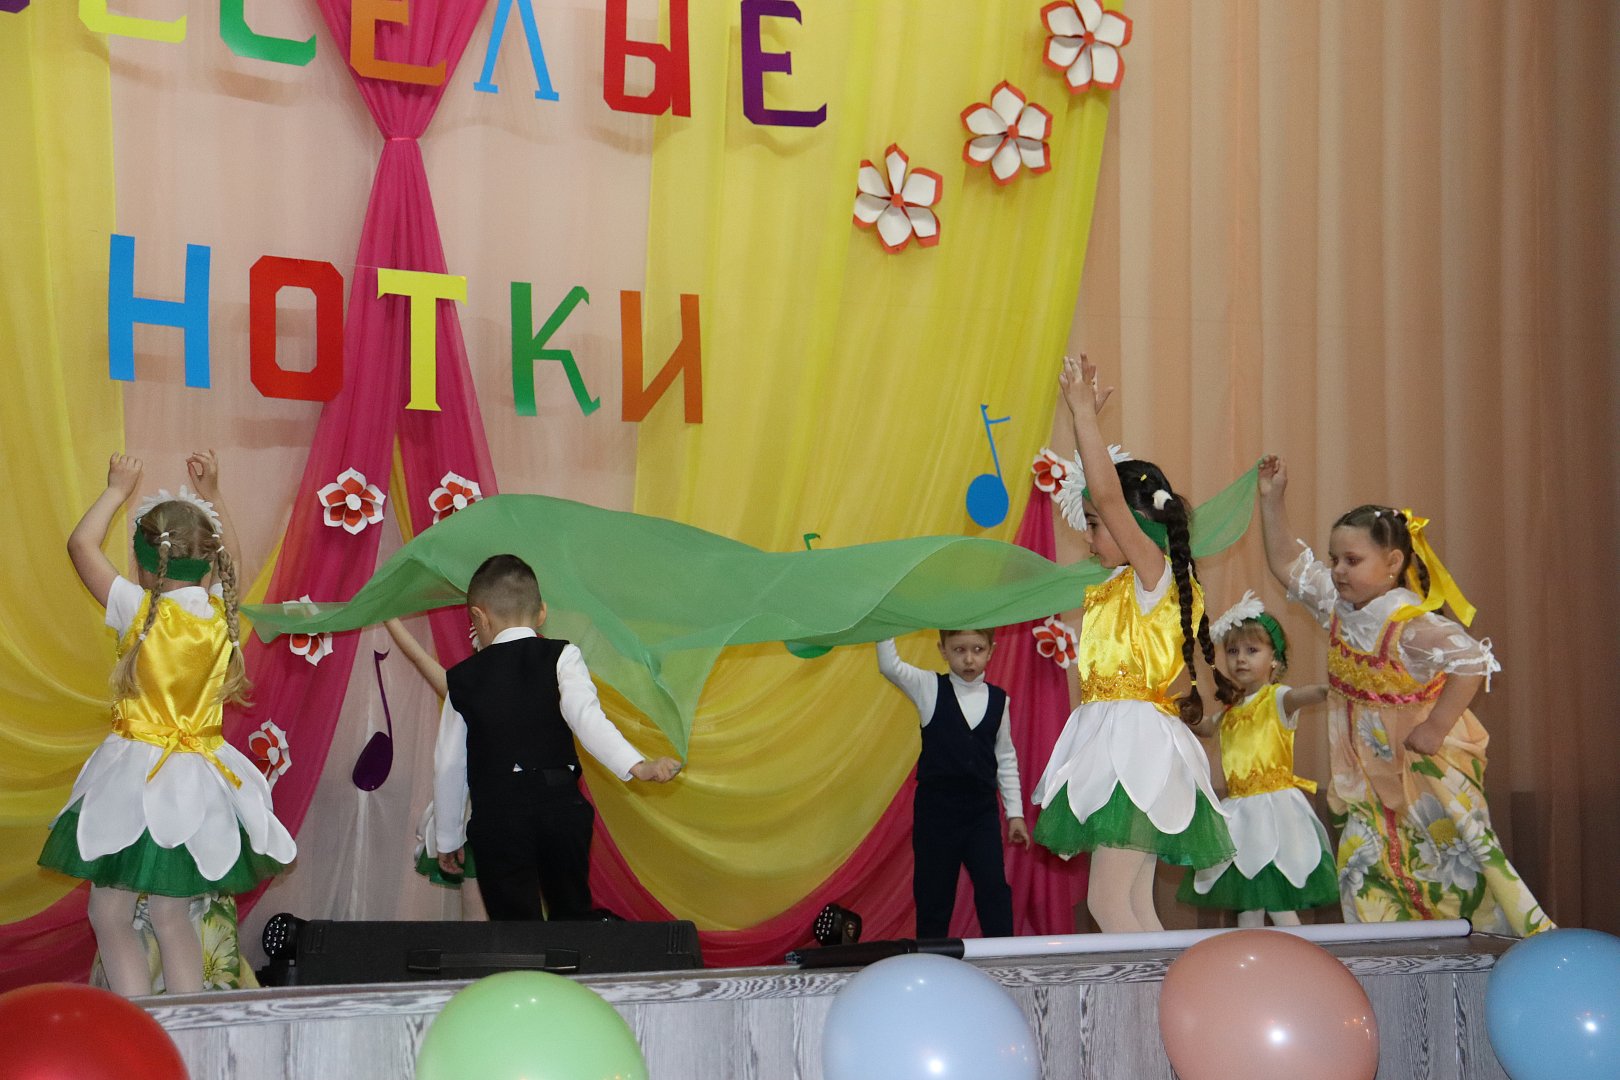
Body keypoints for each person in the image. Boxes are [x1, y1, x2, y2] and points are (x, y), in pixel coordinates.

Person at [1256, 455, 1552, 934]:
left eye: (1352, 560)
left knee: (1450, 870)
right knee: (1366, 869)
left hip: (1422, 774)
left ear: (1393, 563)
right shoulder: (1339, 609)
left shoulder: (1410, 626)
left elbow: (1472, 660)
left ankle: (1483, 952)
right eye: (1334, 559)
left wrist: (1436, 726)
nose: (1338, 570)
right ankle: (1387, 957)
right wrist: (1273, 501)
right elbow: (1288, 562)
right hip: (1365, 778)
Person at [39, 452, 296, 996]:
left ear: (143, 561)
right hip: (197, 784)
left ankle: (140, 1021)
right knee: (171, 916)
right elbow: (236, 563)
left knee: (109, 913)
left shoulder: (135, 607)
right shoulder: (220, 613)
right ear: (210, 563)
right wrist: (214, 493)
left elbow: (81, 545)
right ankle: (186, 1028)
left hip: (135, 780)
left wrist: (116, 490)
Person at [1031, 356, 1236, 933]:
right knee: (1136, 904)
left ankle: (1145, 988)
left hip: (1134, 746)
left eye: (1096, 524)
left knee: (1107, 903)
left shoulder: (1155, 575)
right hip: (1124, 738)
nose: (1090, 535)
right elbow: (1104, 497)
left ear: (1137, 527)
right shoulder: (1126, 584)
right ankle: (1162, 986)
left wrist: (1082, 418)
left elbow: (1108, 495)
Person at [433, 554, 682, 920]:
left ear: (479, 618)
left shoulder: (462, 679)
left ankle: (522, 959)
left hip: (498, 817)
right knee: (571, 919)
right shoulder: (563, 655)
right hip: (560, 808)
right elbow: (587, 718)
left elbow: (449, 763)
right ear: (542, 613)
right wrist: (637, 765)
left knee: (515, 927)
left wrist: (448, 838)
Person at [1176, 592, 1338, 926]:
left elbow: (1306, 695)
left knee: (1277, 898)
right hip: (1240, 814)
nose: (1240, 659)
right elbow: (1205, 728)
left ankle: (1297, 953)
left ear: (1274, 659)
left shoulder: (1277, 699)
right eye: (1232, 651)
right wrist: (1177, 715)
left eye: (1252, 651)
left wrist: (1332, 689)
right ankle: (1251, 953)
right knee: (1247, 902)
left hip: (1276, 813)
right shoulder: (1229, 711)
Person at [877, 628, 1030, 938]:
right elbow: (890, 666)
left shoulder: (999, 700)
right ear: (943, 650)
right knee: (933, 895)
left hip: (981, 814)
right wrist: (886, 623)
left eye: (977, 649)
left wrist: (1015, 813)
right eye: (959, 650)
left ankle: (1004, 958)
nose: (969, 659)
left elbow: (1005, 758)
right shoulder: (929, 687)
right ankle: (931, 961)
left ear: (991, 651)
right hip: (937, 813)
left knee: (993, 891)